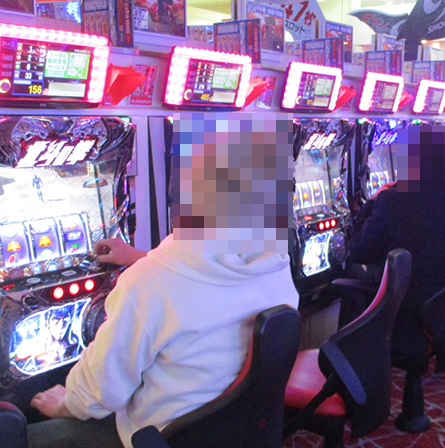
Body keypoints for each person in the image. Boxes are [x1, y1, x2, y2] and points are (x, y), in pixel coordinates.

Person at [27, 112, 298, 448]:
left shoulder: (151, 284)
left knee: (29, 436)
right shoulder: (275, 262)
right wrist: (143, 258)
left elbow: (100, 394)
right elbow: (206, 278)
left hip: (164, 436)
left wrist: (65, 403)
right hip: (239, 429)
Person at [341, 125, 445, 366]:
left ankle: (351, 365)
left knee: (348, 270)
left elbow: (359, 251)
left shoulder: (394, 200)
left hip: (402, 309)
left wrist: (373, 201)